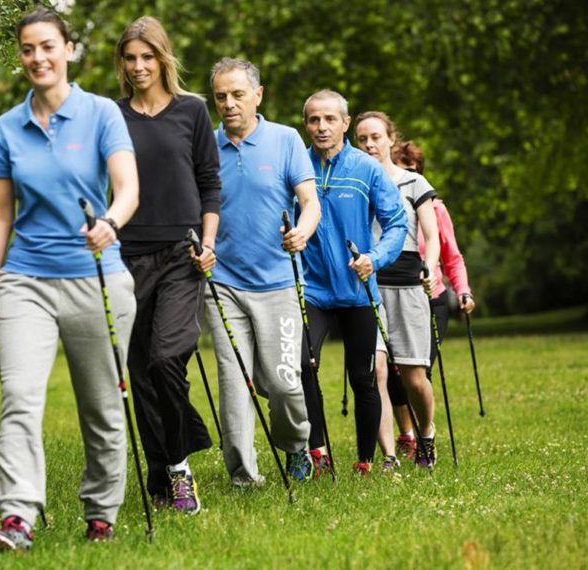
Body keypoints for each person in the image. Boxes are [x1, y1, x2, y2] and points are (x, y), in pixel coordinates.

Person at [0, 7, 139, 550]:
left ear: (69, 50)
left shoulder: (100, 115)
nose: (38, 57)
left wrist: (110, 223)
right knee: (19, 393)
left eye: (47, 46)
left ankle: (101, 514)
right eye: (27, 49)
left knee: (102, 405)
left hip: (97, 278)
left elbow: (127, 187)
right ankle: (17, 516)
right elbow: (0, 213)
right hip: (27, 279)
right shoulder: (7, 127)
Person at [114, 16, 221, 515]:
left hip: (182, 254)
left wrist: (208, 242)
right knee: (141, 373)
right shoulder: (111, 117)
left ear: (163, 59)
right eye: (130, 59)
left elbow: (209, 184)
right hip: (127, 258)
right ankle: (160, 472)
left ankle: (178, 471)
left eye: (147, 57)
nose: (138, 67)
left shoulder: (192, 111)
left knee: (165, 359)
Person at [205, 57, 321, 487]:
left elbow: (309, 202)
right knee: (234, 385)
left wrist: (303, 233)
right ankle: (243, 476)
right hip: (223, 284)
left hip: (280, 282)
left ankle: (295, 448)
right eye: (221, 96)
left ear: (258, 94)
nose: (229, 104)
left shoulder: (285, 139)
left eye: (238, 94)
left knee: (284, 381)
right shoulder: (206, 144)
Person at [300, 90, 408, 476]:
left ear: (346, 123)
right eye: (314, 120)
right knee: (301, 365)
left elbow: (397, 223)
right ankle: (318, 452)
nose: (321, 127)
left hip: (358, 290)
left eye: (330, 119)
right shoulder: (298, 165)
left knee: (363, 377)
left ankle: (365, 460)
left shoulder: (367, 168)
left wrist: (374, 258)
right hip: (312, 289)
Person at [354, 111, 441, 468]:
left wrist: (430, 269)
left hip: (407, 281)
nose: (370, 145)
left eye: (375, 137)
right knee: (376, 373)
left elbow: (432, 236)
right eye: (362, 139)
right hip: (368, 284)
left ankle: (427, 434)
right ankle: (389, 454)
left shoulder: (413, 184)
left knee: (413, 376)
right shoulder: (354, 183)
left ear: (391, 139)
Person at [388, 140, 476, 456]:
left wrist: (463, 290)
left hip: (431, 297)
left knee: (416, 373)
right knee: (388, 372)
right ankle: (406, 434)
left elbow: (452, 257)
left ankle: (425, 432)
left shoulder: (435, 209)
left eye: (411, 169)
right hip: (391, 290)